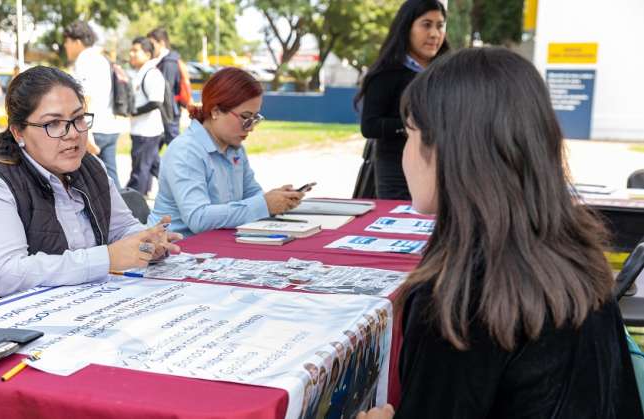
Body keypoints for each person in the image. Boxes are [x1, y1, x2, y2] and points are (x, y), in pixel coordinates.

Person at [364, 48, 644, 418]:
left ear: (452, 150)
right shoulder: (576, 263)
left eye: (410, 132)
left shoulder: (459, 302)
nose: (404, 152)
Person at [0, 66, 181, 315]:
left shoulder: (90, 166)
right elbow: (8, 274)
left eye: (78, 119)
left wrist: (147, 242)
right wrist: (108, 258)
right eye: (53, 124)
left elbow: (121, 229)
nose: (72, 134)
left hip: (75, 314)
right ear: (18, 132)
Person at [147, 67, 305, 237]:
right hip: (174, 249)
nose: (250, 128)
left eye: (255, 119)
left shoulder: (234, 148)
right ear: (215, 111)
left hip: (216, 243)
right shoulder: (186, 151)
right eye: (245, 117)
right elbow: (198, 218)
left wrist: (277, 200)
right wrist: (264, 205)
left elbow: (252, 195)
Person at [354, 0, 448, 199]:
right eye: (426, 24)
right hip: (397, 172)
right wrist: (414, 127)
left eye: (440, 25)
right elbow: (370, 126)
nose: (434, 34)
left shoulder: (450, 72)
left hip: (445, 169)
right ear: (407, 28)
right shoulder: (386, 72)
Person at [64, 20, 124, 189]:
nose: (65, 46)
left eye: (67, 42)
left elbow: (85, 97)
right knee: (111, 182)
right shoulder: (101, 58)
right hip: (109, 127)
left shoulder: (85, 59)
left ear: (77, 41)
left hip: (94, 130)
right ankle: (124, 213)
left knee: (84, 182)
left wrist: (84, 131)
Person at [127, 36, 165, 196]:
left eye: (136, 51)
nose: (131, 54)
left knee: (140, 172)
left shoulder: (151, 73)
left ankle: (135, 209)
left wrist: (133, 111)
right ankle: (184, 190)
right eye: (131, 50)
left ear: (148, 54)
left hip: (147, 132)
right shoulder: (141, 73)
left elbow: (156, 101)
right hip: (142, 131)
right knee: (158, 168)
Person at [147, 27, 181, 146]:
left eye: (152, 44)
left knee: (175, 148)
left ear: (161, 43)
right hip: (165, 113)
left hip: (169, 114)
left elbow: (167, 91)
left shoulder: (169, 62)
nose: (149, 49)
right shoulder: (162, 61)